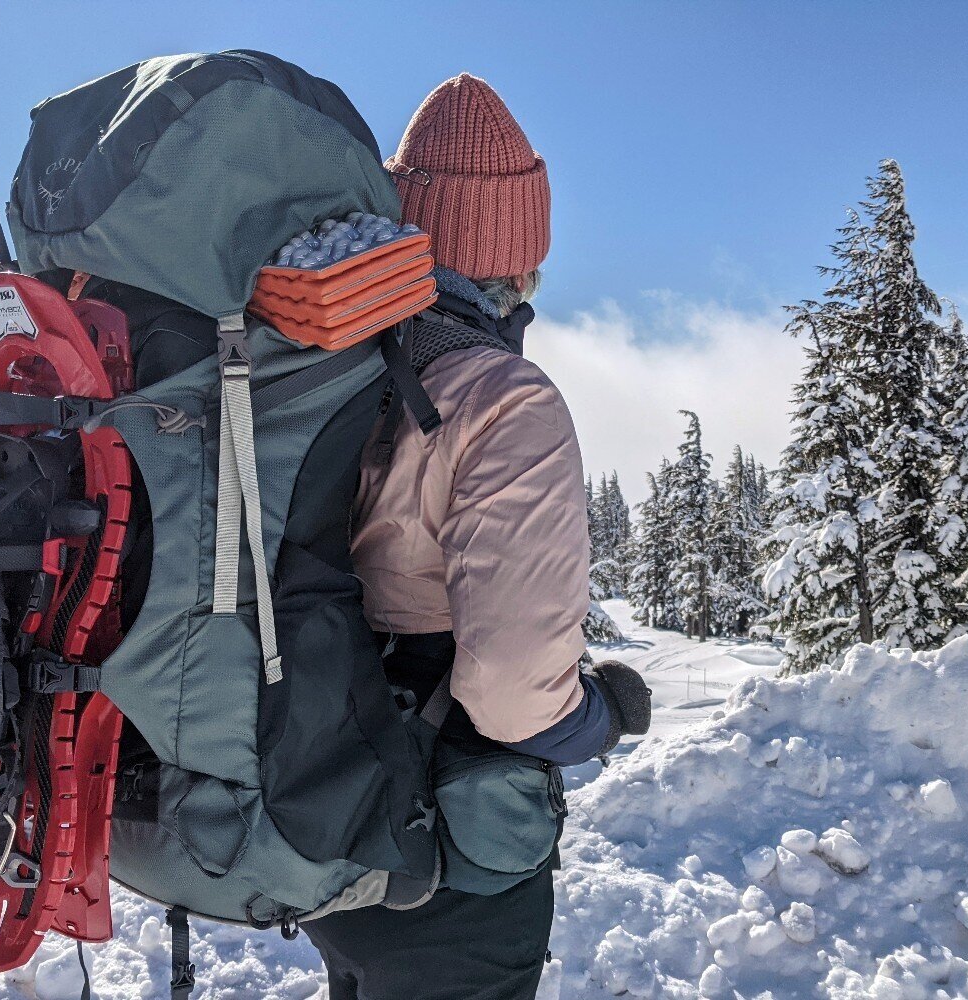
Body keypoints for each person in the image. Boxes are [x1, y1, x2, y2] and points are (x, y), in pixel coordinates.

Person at [300, 73, 653, 1000]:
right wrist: (598, 719)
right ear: (519, 252)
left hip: (332, 806)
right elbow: (508, 697)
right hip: (454, 842)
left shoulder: (331, 375)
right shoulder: (503, 401)